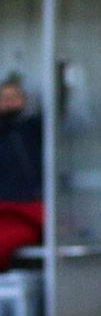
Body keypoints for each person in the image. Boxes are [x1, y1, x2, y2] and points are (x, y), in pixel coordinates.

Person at [0, 76, 43, 272]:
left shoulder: (33, 128)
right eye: (4, 98)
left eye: (14, 96)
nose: (9, 102)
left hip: (28, 209)